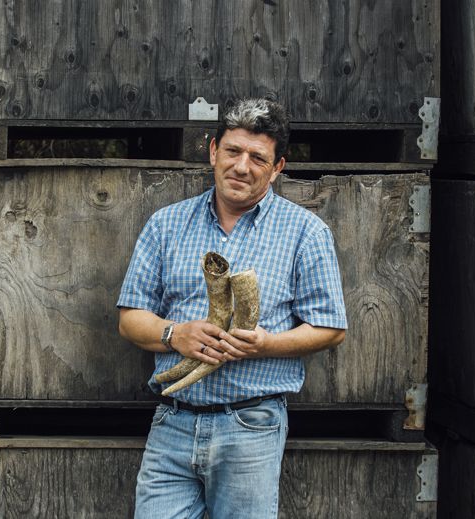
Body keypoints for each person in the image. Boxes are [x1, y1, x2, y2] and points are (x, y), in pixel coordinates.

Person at [117, 98, 347, 519]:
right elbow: (130, 318)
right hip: (172, 419)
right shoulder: (166, 224)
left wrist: (266, 344)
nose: (242, 167)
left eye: (258, 157)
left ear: (277, 168)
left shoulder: (306, 233)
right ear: (212, 151)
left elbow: (330, 328)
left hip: (251, 425)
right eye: (232, 151)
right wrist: (174, 334)